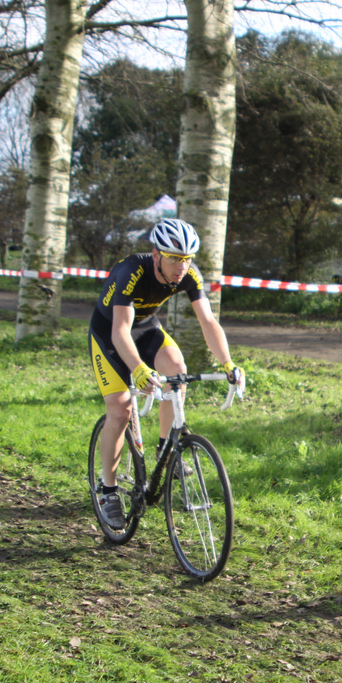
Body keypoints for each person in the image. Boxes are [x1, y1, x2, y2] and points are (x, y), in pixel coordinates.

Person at [88, 218, 244, 530]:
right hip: (110, 335)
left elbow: (208, 321)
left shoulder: (189, 274)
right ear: (156, 255)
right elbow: (120, 331)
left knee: (177, 371)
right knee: (120, 408)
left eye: (187, 259)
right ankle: (107, 491)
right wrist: (139, 369)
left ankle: (165, 448)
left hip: (146, 329)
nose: (181, 267)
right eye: (174, 258)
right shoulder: (131, 271)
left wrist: (228, 363)